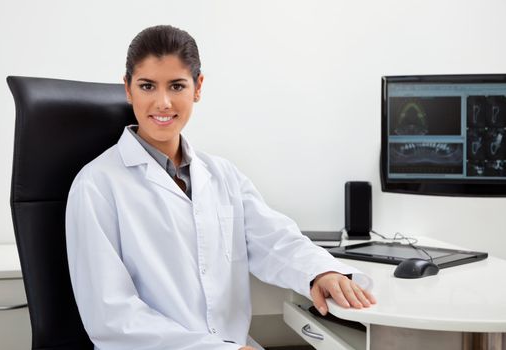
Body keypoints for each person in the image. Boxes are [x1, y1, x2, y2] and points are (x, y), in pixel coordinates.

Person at [65, 25, 376, 350]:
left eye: (176, 85)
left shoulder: (222, 175)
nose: (163, 102)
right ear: (128, 89)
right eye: (147, 86)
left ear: (197, 88)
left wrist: (320, 272)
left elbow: (274, 241)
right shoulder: (97, 185)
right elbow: (112, 318)